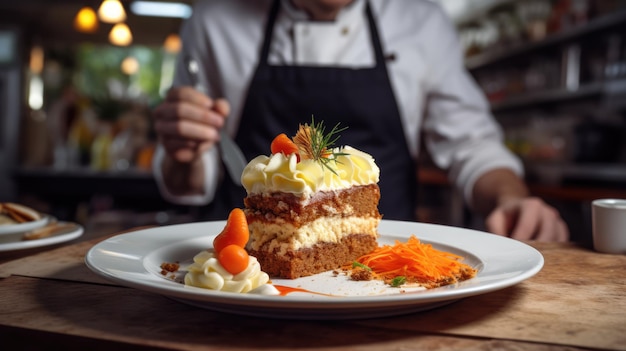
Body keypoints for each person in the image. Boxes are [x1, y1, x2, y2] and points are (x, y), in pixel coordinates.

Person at [152, 0, 569, 242]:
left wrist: (509, 198)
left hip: (384, 270)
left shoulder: (420, 21)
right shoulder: (213, 22)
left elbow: (473, 145)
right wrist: (185, 153)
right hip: (246, 274)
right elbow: (190, 180)